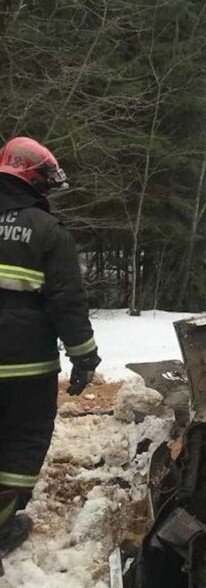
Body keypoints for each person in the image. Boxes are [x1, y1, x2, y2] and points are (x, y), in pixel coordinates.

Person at [0, 136, 99, 556]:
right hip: (27, 367)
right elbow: (67, 302)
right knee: (24, 439)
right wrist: (84, 356)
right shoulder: (47, 231)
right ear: (31, 177)